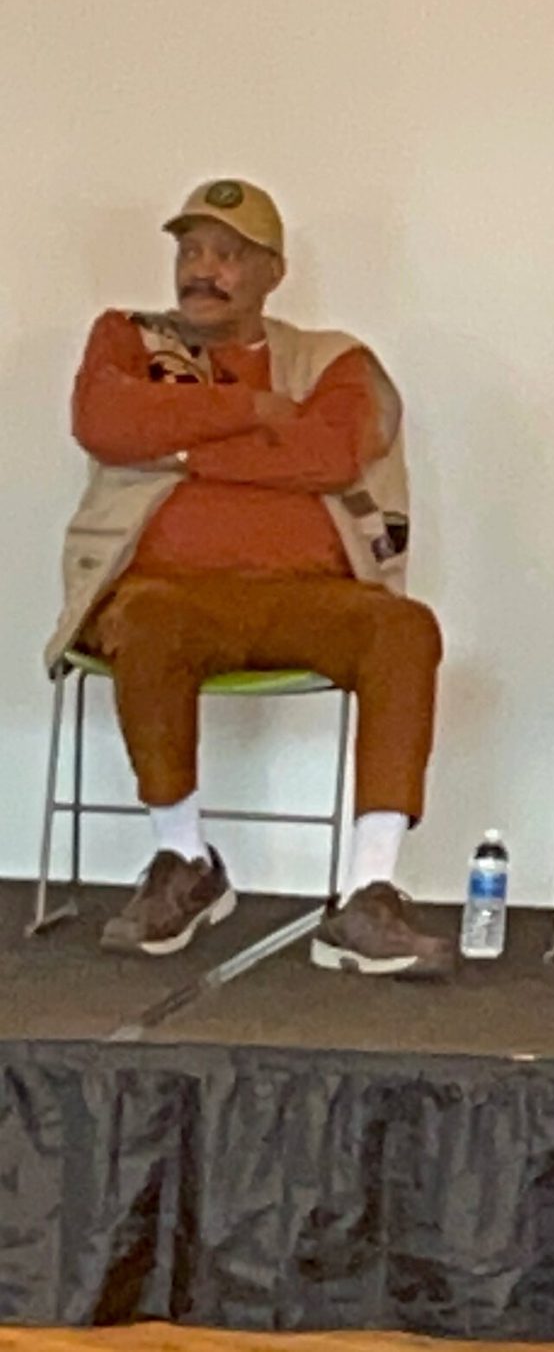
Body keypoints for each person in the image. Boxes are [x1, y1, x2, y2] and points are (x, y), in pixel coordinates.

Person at [56, 179, 449, 977]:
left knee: (404, 628)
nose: (202, 270)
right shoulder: (127, 338)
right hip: (166, 596)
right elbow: (104, 421)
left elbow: (330, 454)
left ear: (274, 271)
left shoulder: (335, 359)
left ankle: (368, 890)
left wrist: (175, 450)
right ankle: (185, 862)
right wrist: (255, 412)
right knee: (150, 619)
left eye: (228, 254)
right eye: (190, 251)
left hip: (308, 598)